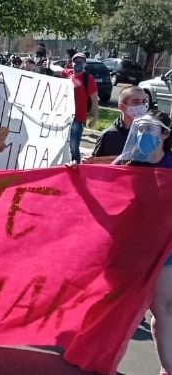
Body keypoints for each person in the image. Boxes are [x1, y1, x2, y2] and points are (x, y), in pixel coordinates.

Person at [112, 111, 172, 375]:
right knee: (120, 310)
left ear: (165, 134)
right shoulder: (128, 162)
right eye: (141, 128)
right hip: (131, 249)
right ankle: (102, 358)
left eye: (151, 129)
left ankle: (167, 368)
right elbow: (100, 186)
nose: (144, 134)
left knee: (163, 309)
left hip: (165, 251)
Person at [83, 86, 149, 164]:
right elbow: (95, 166)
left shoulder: (152, 133)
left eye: (144, 101)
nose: (142, 106)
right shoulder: (109, 136)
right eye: (136, 102)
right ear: (122, 107)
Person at [69, 52, 98, 165]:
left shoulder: (88, 79)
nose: (78, 63)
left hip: (78, 118)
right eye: (76, 61)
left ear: (85, 64)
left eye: (81, 61)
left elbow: (94, 100)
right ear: (72, 63)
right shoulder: (68, 76)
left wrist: (94, 117)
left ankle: (76, 165)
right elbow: (56, 71)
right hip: (65, 117)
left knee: (73, 145)